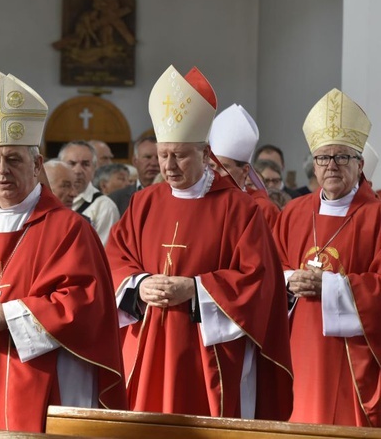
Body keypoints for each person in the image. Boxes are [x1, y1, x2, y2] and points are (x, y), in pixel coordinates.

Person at [0, 71, 127, 432]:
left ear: (36, 163)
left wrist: (9, 316)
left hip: (45, 382)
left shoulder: (70, 229)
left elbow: (86, 304)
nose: (3, 171)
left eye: (14, 160)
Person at [106, 65, 292, 420]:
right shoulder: (145, 202)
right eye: (163, 155)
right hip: (147, 346)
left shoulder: (239, 208)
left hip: (207, 353)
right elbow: (114, 261)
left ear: (205, 153)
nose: (170, 166)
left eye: (180, 155)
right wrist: (140, 285)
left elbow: (259, 282)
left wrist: (194, 290)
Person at [273, 88, 381, 426]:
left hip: (351, 357)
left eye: (342, 157)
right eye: (323, 158)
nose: (331, 165)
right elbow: (267, 273)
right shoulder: (293, 212)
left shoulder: (376, 216)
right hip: (297, 347)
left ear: (360, 164)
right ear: (313, 165)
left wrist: (331, 287)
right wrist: (291, 280)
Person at [208, 104, 280, 227]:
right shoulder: (202, 200)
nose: (215, 174)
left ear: (245, 170)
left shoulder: (262, 209)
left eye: (223, 167)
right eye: (211, 166)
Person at [59, 140, 119, 245]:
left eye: (85, 164)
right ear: (60, 167)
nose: (78, 170)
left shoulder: (105, 207)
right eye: (71, 163)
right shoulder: (49, 199)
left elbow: (101, 253)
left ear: (95, 168)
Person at [109, 135, 159, 214]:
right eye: (147, 157)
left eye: (159, 157)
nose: (153, 163)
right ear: (135, 161)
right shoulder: (116, 198)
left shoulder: (176, 194)